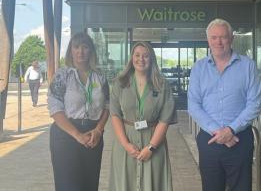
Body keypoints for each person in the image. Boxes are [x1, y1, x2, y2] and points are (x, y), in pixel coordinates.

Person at [188, 18, 261, 191]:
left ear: (232, 38)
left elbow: (255, 103)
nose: (218, 42)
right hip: (209, 141)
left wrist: (230, 130)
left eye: (223, 37)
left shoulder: (248, 66)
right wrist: (217, 131)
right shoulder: (198, 68)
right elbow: (193, 104)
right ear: (208, 40)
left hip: (239, 140)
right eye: (214, 37)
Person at [109, 41, 177, 191]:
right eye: (137, 55)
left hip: (154, 144)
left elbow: (165, 120)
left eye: (146, 56)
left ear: (151, 58)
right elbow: (115, 115)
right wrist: (126, 145)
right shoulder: (119, 84)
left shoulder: (162, 85)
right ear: (131, 57)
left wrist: (151, 147)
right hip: (125, 144)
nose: (141, 59)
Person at [47, 32, 110, 191]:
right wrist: (77, 135)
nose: (80, 52)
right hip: (66, 135)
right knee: (68, 186)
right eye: (76, 47)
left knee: (90, 184)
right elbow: (55, 108)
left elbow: (108, 105)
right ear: (71, 51)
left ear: (91, 51)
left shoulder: (100, 77)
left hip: (93, 135)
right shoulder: (62, 75)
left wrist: (99, 130)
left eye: (85, 47)